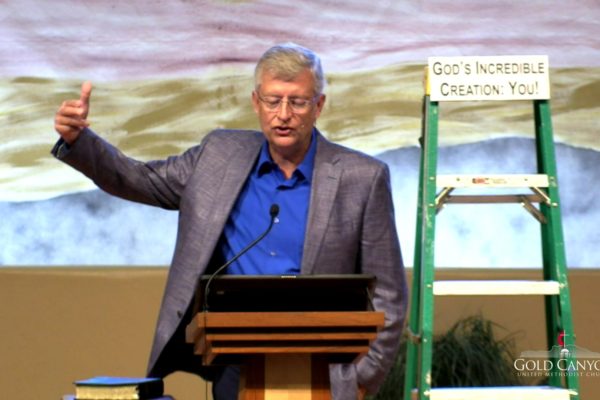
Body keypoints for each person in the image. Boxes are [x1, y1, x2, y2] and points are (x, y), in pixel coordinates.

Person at [53, 43, 407, 399]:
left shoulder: (362, 178)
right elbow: (138, 179)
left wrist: (360, 379)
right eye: (273, 101)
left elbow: (389, 295)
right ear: (256, 102)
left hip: (322, 369)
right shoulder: (219, 157)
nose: (284, 114)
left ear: (318, 106)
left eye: (298, 102)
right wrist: (80, 140)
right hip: (235, 363)